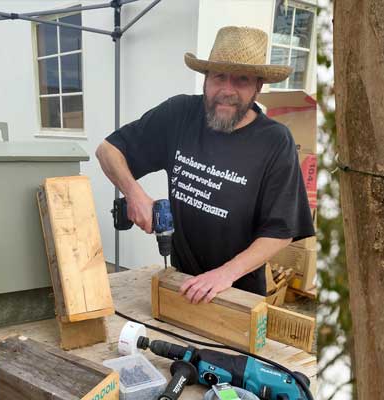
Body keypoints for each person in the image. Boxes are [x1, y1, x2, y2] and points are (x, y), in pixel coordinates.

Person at [96, 26, 315, 304]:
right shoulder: (179, 115)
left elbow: (281, 231)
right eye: (219, 77)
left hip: (236, 295)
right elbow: (108, 150)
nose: (227, 90)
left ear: (258, 87)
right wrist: (134, 193)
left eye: (242, 80)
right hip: (179, 284)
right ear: (205, 79)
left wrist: (225, 274)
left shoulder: (275, 141)